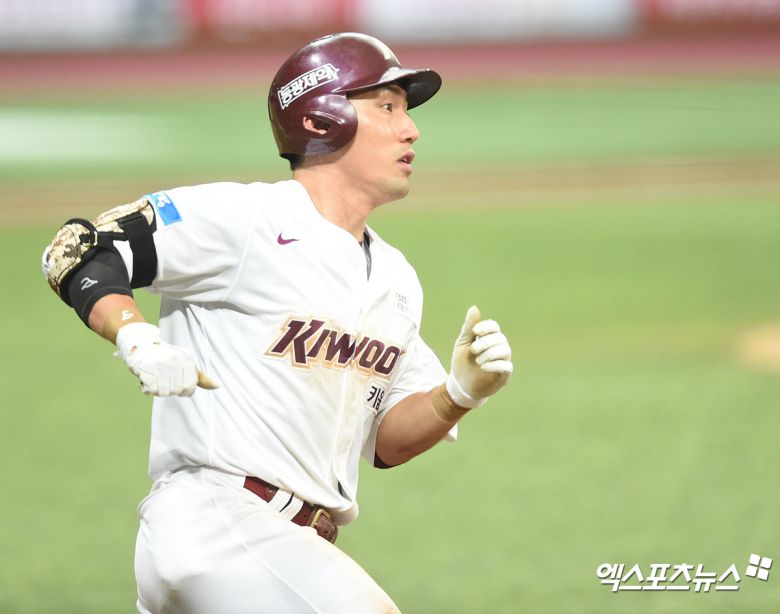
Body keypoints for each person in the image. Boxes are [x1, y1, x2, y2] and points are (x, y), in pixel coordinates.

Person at [41, 32, 513, 614]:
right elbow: (78, 249)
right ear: (322, 117)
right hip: (217, 520)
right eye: (388, 107)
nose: (410, 130)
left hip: (274, 548)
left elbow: (385, 442)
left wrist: (459, 393)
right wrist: (136, 336)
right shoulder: (246, 219)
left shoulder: (395, 276)